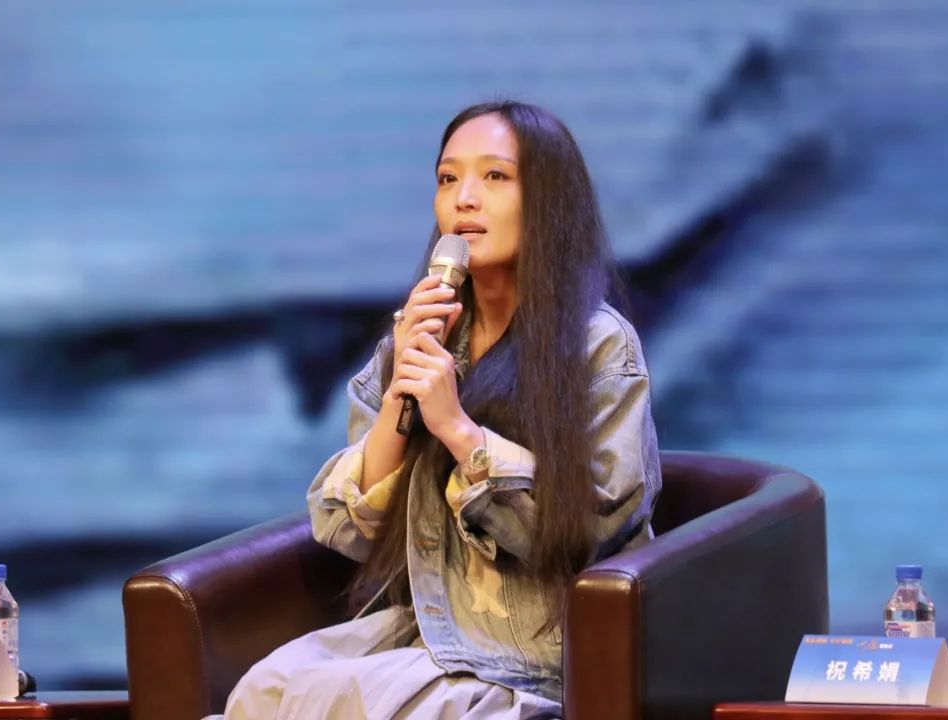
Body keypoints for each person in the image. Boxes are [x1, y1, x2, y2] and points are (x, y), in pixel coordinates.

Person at [221, 100, 662, 719]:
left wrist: (456, 427)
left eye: (495, 176)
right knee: (264, 692)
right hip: (427, 629)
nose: (464, 199)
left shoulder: (599, 344)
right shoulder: (417, 339)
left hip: (534, 652)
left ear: (549, 201)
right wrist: (400, 398)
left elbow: (596, 525)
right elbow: (342, 530)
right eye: (448, 178)